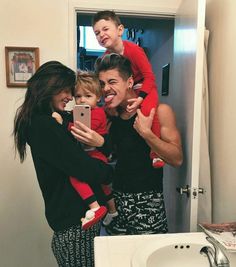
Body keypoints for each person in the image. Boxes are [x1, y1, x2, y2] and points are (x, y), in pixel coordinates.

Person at [13, 61, 113, 267]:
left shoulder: (51, 119)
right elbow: (81, 167)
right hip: (74, 226)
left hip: (76, 223)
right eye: (66, 91)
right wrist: (108, 172)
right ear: (49, 87)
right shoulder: (43, 125)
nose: (70, 97)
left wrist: (101, 142)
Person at [94, 53, 183, 235]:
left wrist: (147, 134)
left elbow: (177, 159)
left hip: (148, 201)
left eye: (112, 81)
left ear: (129, 82)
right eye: (102, 84)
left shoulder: (159, 111)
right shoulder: (110, 116)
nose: (106, 89)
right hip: (116, 200)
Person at [92, 10, 164, 168]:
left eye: (105, 29)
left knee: (150, 111)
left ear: (120, 30)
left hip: (145, 85)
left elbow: (149, 77)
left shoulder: (134, 50)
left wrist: (141, 98)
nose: (101, 35)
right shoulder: (105, 58)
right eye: (96, 33)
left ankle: (156, 154)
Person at [52, 71, 118, 229]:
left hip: (96, 155)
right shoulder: (79, 112)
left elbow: (83, 130)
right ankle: (113, 210)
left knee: (75, 177)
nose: (82, 100)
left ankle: (95, 208)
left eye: (87, 96)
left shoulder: (97, 113)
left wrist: (63, 124)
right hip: (93, 154)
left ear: (98, 98)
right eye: (78, 96)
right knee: (103, 186)